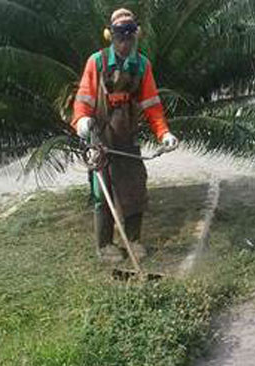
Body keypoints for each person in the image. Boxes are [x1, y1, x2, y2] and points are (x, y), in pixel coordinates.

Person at [72, 8, 178, 264]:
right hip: (100, 140)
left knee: (134, 188)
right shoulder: (96, 62)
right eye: (120, 35)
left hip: (127, 139)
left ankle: (133, 240)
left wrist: (164, 133)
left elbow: (152, 105)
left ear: (136, 35)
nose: (125, 41)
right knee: (103, 192)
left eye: (130, 35)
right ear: (110, 35)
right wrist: (82, 121)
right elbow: (83, 100)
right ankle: (105, 245)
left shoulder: (142, 65)